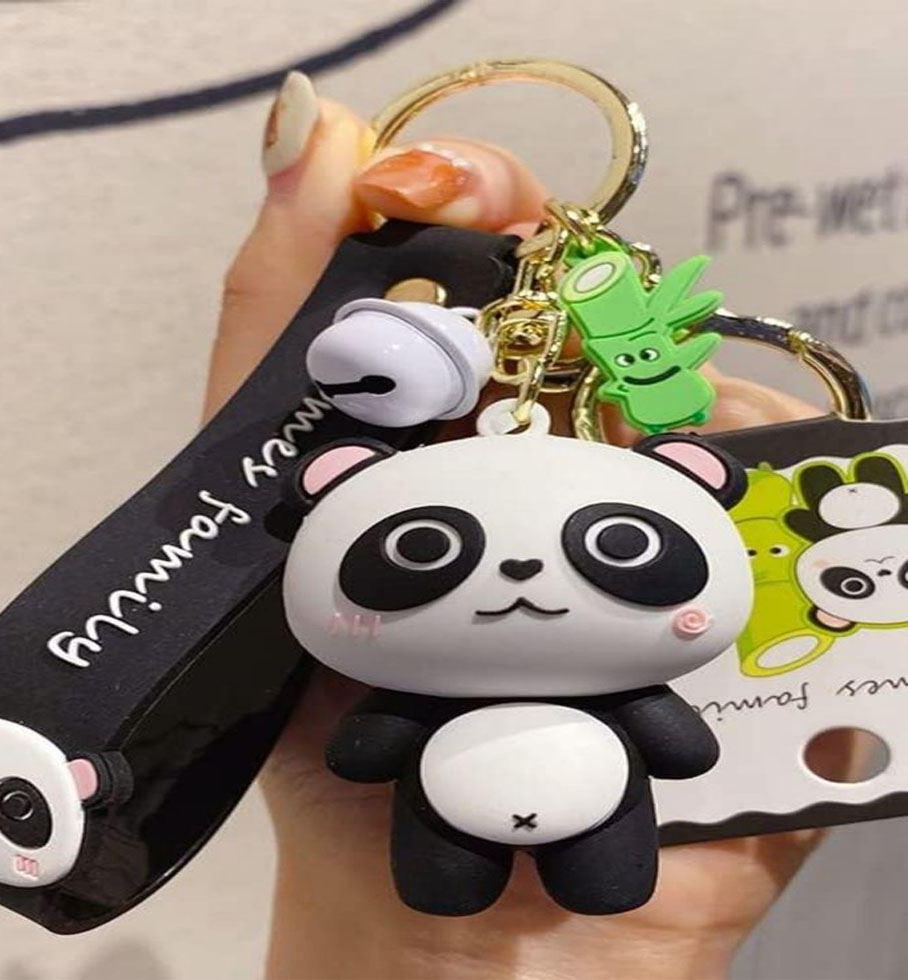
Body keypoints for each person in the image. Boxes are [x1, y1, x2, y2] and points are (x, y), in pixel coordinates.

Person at [206, 72, 840, 980]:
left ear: (699, 484)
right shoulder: (412, 665)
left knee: (602, 879)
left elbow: (683, 743)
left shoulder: (611, 677)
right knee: (444, 881)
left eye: (618, 548)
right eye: (425, 550)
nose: (519, 578)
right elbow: (362, 747)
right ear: (332, 485)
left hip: (588, 803)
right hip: (446, 813)